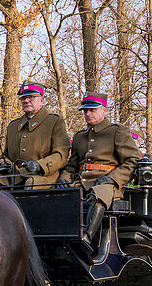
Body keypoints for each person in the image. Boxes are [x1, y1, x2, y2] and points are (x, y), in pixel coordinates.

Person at [56, 93, 141, 247]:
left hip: (109, 184)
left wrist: (113, 178)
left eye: (92, 110)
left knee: (98, 195)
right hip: (82, 182)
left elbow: (133, 160)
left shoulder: (117, 131)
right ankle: (57, 240)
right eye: (85, 111)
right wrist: (64, 178)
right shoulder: (79, 137)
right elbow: (72, 165)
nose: (88, 114)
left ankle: (86, 238)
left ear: (104, 110)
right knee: (59, 196)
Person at [0, 81, 69, 189]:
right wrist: (3, 163)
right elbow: (5, 155)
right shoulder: (13, 126)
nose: (26, 101)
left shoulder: (54, 122)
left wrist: (39, 165)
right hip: (14, 176)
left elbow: (61, 155)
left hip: (44, 175)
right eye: (23, 98)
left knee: (31, 184)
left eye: (31, 97)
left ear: (41, 100)